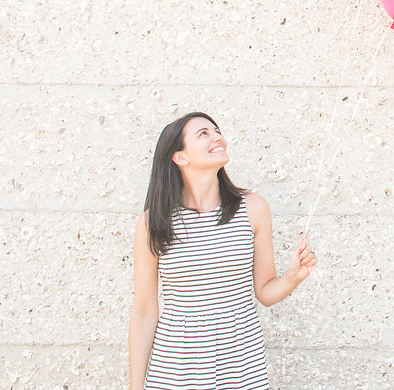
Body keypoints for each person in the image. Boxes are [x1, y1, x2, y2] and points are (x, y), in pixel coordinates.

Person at [129, 112, 317, 389]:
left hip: (241, 364)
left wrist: (293, 277)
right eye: (203, 133)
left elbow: (265, 292)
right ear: (180, 157)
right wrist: (135, 386)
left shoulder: (252, 209)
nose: (218, 137)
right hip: (175, 367)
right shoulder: (153, 222)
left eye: (217, 131)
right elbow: (145, 310)